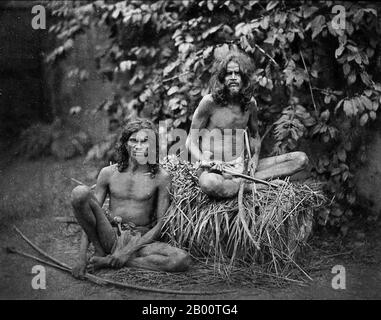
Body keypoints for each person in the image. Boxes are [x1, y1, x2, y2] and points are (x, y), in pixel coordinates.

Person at [70, 119, 191, 278]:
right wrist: (81, 259)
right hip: (110, 235)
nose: (138, 146)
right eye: (133, 140)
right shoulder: (108, 173)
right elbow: (89, 219)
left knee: (182, 259)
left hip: (140, 241)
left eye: (144, 141)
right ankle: (103, 253)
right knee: (80, 192)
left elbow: (160, 226)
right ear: (125, 144)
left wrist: (126, 252)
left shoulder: (161, 177)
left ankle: (108, 261)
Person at [186, 51, 308, 198]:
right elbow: (190, 141)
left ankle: (243, 181)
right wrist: (203, 159)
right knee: (209, 184)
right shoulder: (209, 102)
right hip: (213, 170)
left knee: (300, 160)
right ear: (222, 78)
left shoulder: (250, 104)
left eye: (237, 74)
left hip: (240, 168)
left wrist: (255, 158)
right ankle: (249, 186)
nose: (232, 78)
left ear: (244, 78)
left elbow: (255, 135)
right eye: (228, 74)